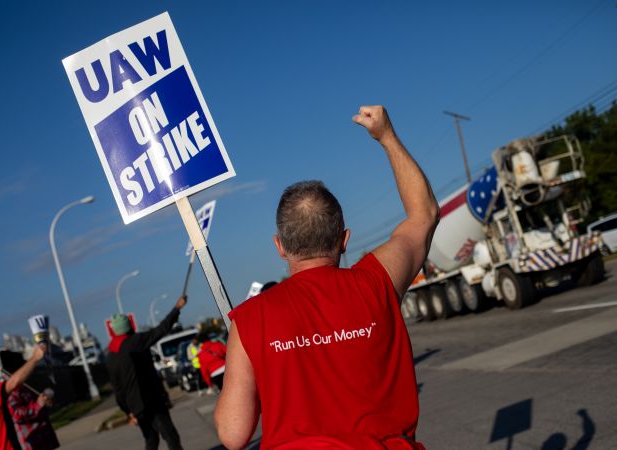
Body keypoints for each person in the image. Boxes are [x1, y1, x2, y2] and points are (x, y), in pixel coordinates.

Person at [215, 106, 439, 449]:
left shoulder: (249, 320)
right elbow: (423, 215)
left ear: (280, 246)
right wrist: (387, 137)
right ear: (344, 240)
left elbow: (233, 435)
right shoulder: (376, 282)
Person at [107, 295, 187, 450]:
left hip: (136, 407)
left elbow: (118, 389)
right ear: (128, 326)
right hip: (150, 401)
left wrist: (128, 412)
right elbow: (161, 330)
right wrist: (177, 308)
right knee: (170, 436)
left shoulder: (111, 355)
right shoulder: (135, 342)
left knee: (151, 439)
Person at [0, 350, 60, 450]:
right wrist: (38, 404)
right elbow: (17, 414)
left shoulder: (24, 384)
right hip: (32, 442)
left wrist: (44, 402)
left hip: (43, 438)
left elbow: (35, 403)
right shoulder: (10, 389)